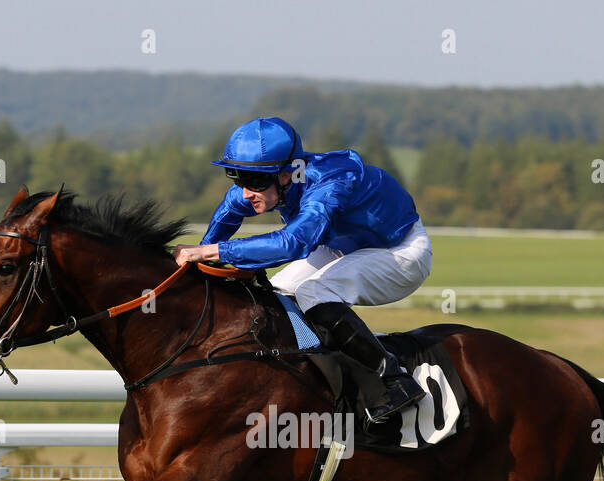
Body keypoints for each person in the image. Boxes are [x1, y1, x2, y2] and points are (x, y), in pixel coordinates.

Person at [174, 117, 433, 424]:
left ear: (286, 175)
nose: (245, 193)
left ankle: (394, 381)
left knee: (314, 291)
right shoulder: (264, 183)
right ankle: (311, 375)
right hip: (345, 243)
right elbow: (216, 235)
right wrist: (198, 262)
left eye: (254, 182)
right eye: (239, 179)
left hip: (401, 250)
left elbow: (293, 243)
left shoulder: (331, 181)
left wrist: (214, 251)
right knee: (280, 295)